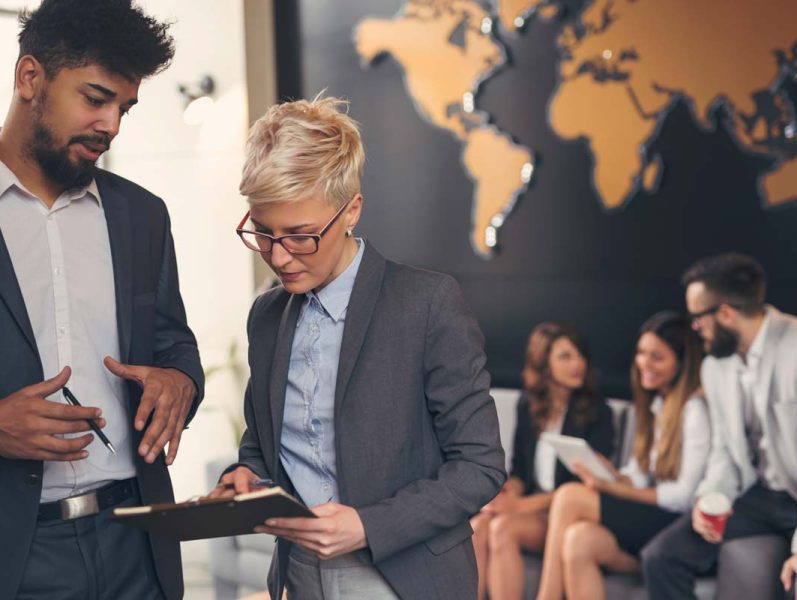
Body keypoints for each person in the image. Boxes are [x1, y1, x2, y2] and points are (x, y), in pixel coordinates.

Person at [208, 94, 505, 600]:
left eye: (301, 236)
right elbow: (262, 444)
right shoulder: (267, 315)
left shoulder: (428, 303)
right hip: (299, 576)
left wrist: (367, 525)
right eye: (263, 232)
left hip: (404, 579)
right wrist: (245, 477)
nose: (278, 257)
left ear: (351, 211)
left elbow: (480, 467)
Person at [0, 1, 204, 599]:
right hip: (17, 556)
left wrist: (179, 383)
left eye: (124, 108)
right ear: (30, 77)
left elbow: (175, 345)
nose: (112, 125)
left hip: (135, 546)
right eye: (95, 99)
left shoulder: (142, 215)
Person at [642, 253, 797, 600]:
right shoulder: (716, 367)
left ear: (725, 313)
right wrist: (711, 497)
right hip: (758, 496)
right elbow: (725, 451)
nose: (694, 328)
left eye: (697, 317)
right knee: (660, 558)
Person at [535, 311, 709, 600]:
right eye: (642, 353)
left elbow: (683, 496)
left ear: (681, 363)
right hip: (648, 519)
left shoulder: (695, 412)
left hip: (676, 523)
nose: (644, 363)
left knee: (569, 496)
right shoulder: (656, 405)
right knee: (579, 540)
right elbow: (640, 476)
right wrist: (615, 475)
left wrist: (614, 488)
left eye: (657, 357)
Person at [471, 322, 614, 600]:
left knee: (503, 528)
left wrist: (519, 506)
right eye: (565, 356)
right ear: (543, 364)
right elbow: (520, 470)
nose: (578, 364)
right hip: (533, 508)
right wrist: (506, 493)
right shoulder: (528, 406)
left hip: (566, 514)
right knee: (478, 526)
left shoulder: (599, 413)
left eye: (580, 355)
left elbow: (581, 488)